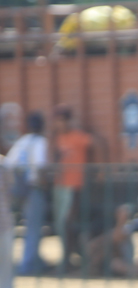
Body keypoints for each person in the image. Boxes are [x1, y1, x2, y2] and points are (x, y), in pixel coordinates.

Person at [6, 111, 49, 275]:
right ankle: (27, 264)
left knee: (15, 227)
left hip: (17, 189)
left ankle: (27, 260)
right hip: (33, 189)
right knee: (33, 227)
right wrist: (43, 185)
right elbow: (40, 166)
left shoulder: (22, 141)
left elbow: (8, 165)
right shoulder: (41, 142)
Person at [51, 104, 92, 268]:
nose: (59, 124)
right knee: (60, 224)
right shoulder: (58, 138)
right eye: (57, 120)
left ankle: (67, 259)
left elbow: (97, 143)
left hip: (74, 185)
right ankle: (67, 256)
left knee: (67, 222)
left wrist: (101, 171)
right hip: (59, 185)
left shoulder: (78, 137)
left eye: (62, 120)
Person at [0, 156, 13, 288]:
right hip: (4, 221)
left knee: (5, 264)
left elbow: (11, 191)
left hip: (4, 222)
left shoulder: (3, 164)